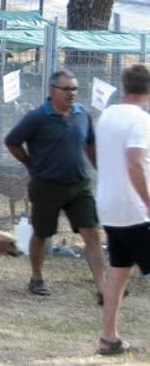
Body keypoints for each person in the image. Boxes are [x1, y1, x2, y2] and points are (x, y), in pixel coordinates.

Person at [4, 69, 106, 298]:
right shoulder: (38, 117)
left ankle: (103, 287)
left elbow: (90, 144)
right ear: (52, 91)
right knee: (42, 234)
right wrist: (30, 164)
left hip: (79, 186)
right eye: (67, 89)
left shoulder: (82, 114)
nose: (72, 93)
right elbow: (12, 141)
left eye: (74, 88)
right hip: (46, 186)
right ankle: (37, 277)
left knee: (92, 233)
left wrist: (101, 169)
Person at [93, 64, 150, 356]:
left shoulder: (108, 115)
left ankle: (108, 338)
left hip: (110, 207)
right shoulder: (141, 121)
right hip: (135, 209)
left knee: (118, 270)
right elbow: (134, 162)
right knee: (119, 271)